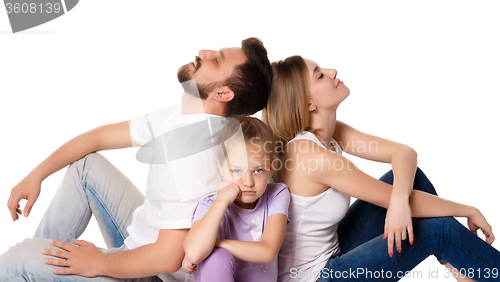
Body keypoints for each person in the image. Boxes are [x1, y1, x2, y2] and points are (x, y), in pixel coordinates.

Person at [0, 37, 273, 282]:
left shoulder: (192, 154)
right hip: (138, 242)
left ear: (223, 94)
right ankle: (44, 269)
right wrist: (36, 174)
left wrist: (100, 263)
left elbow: (169, 258)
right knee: (86, 168)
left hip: (153, 274)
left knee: (18, 259)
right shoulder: (184, 116)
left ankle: (33, 268)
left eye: (216, 59)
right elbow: (99, 137)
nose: (204, 51)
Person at [262, 55, 500, 282]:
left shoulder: (330, 133)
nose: (332, 71)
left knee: (409, 180)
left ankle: (464, 272)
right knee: (438, 229)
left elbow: (404, 154)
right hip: (318, 277)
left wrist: (398, 198)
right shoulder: (310, 156)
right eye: (320, 75)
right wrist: (468, 210)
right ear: (309, 104)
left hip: (332, 252)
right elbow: (392, 199)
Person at [182, 116, 290, 282]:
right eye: (237, 171)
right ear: (221, 167)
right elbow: (194, 253)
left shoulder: (276, 195)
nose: (248, 182)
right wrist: (221, 202)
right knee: (219, 257)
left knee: (216, 250)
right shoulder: (210, 204)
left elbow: (268, 252)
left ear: (271, 168)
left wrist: (215, 243)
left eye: (258, 170)